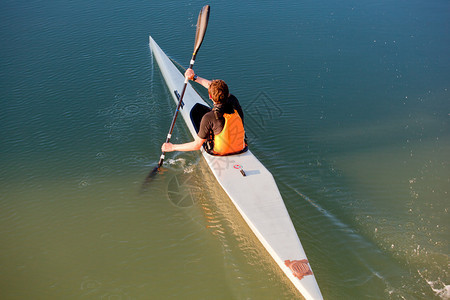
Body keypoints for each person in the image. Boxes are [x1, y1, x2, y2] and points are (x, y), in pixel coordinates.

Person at [161, 68, 247, 156]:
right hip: (241, 148)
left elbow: (196, 146)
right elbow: (213, 87)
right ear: (227, 93)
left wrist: (172, 147)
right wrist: (194, 77)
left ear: (210, 96)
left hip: (219, 152)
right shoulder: (233, 100)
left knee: (199, 113)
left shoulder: (209, 117)